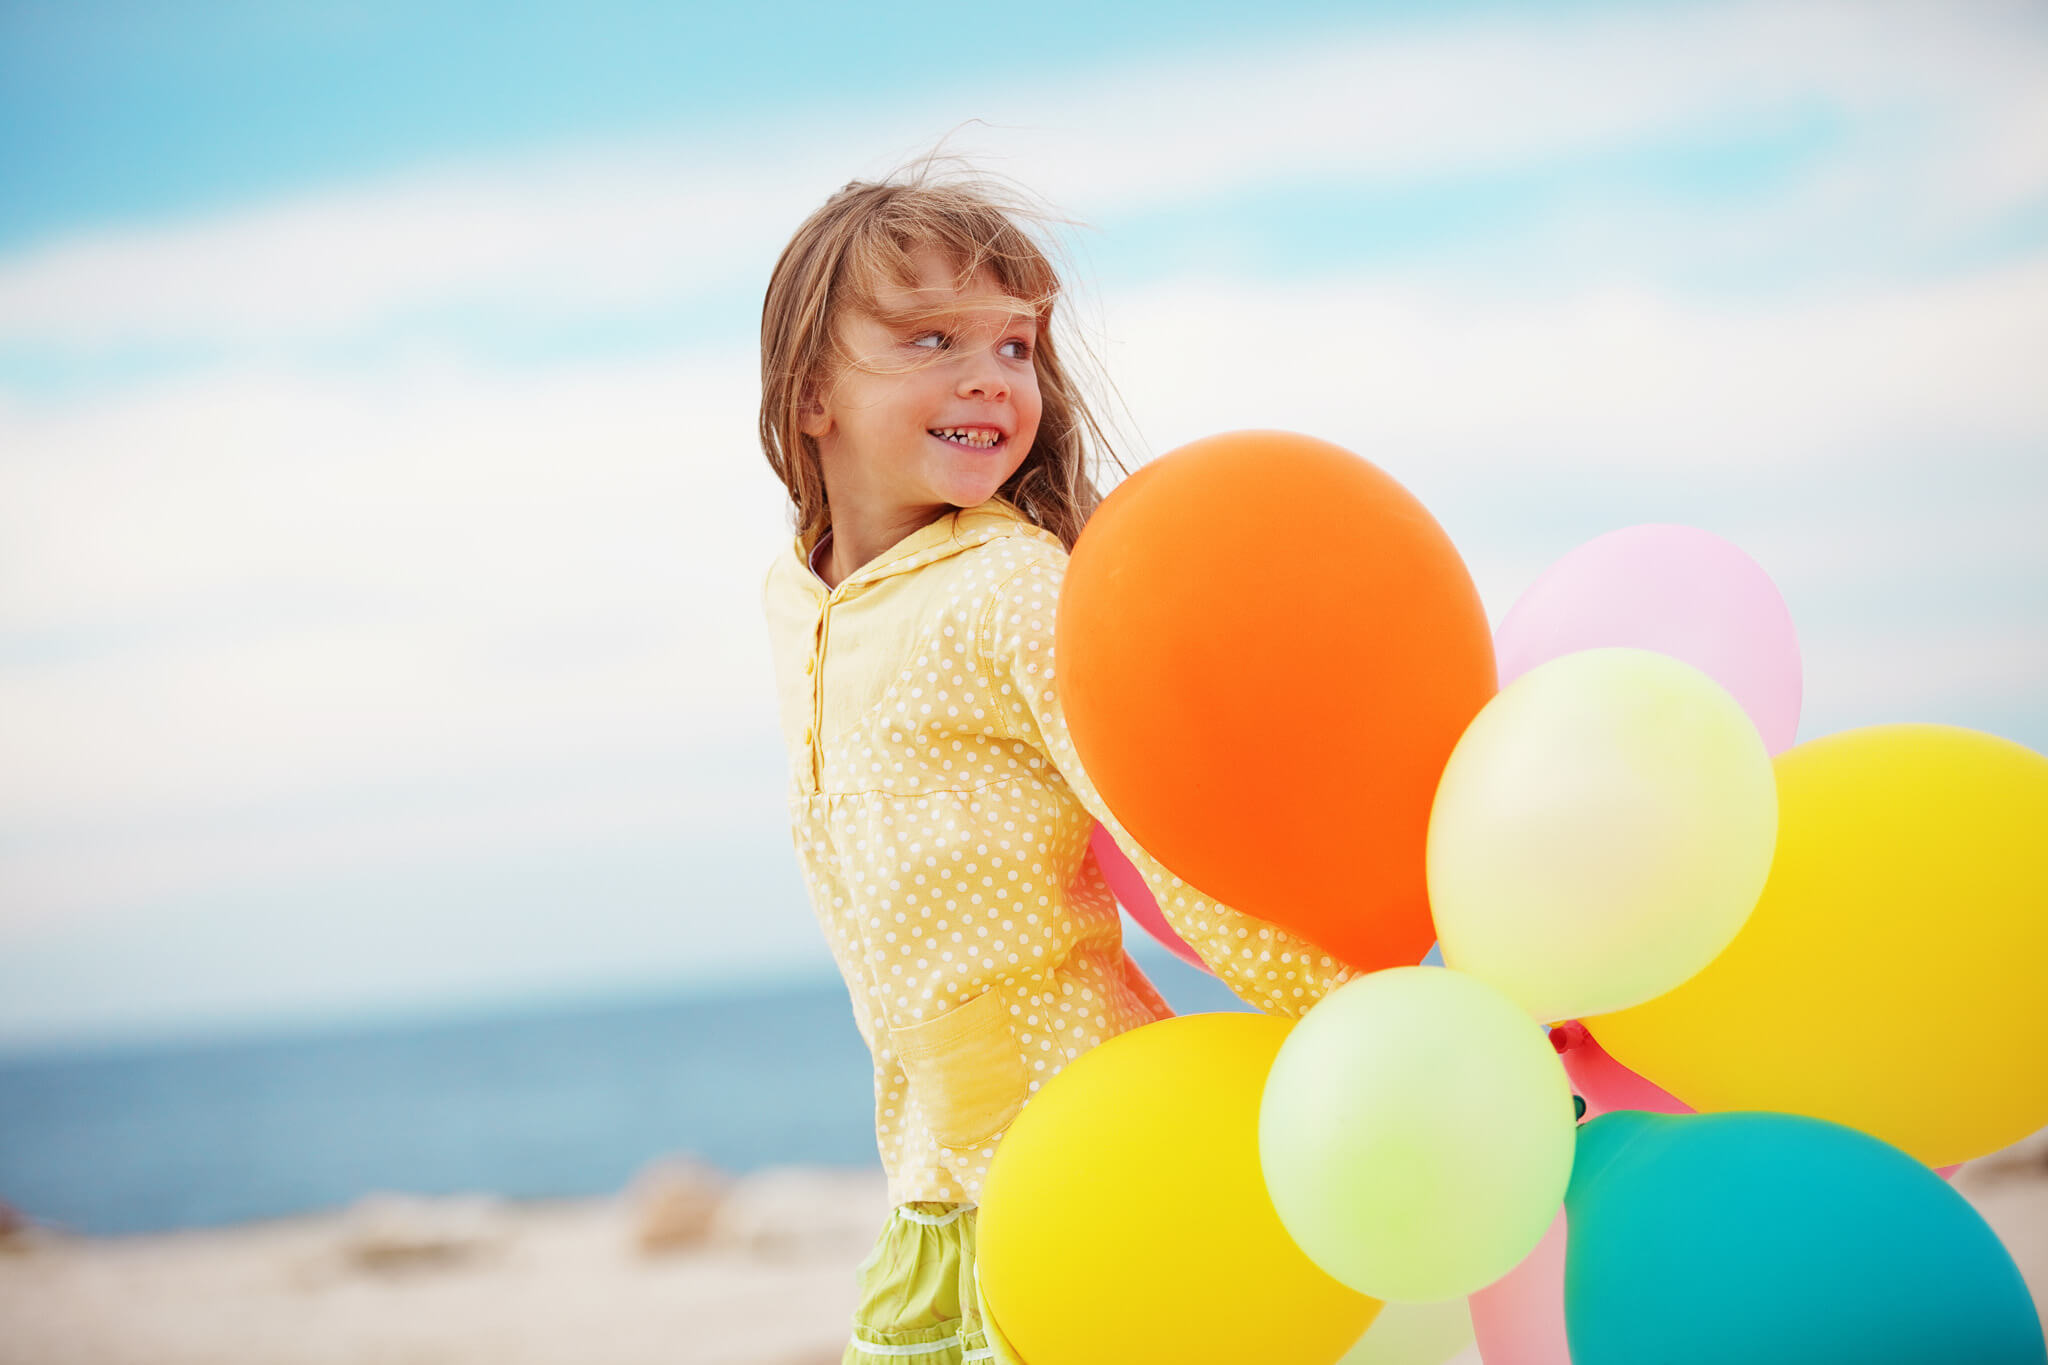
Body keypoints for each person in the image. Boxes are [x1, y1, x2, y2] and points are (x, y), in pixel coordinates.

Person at [757, 170, 1356, 1365]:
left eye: (1016, 346)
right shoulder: (797, 600)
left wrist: (1365, 1028)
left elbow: (1170, 842)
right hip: (933, 1185)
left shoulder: (1019, 589)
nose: (991, 376)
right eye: (931, 338)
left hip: (1087, 1161)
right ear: (811, 391)